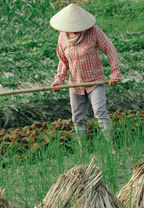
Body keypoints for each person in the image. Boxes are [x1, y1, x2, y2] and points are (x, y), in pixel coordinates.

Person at [49, 4, 120, 152]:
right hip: (75, 84)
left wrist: (115, 73)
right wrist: (58, 80)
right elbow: (63, 61)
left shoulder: (94, 32)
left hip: (95, 81)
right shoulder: (62, 37)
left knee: (100, 111)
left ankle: (111, 146)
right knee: (78, 119)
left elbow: (110, 49)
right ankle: (83, 150)